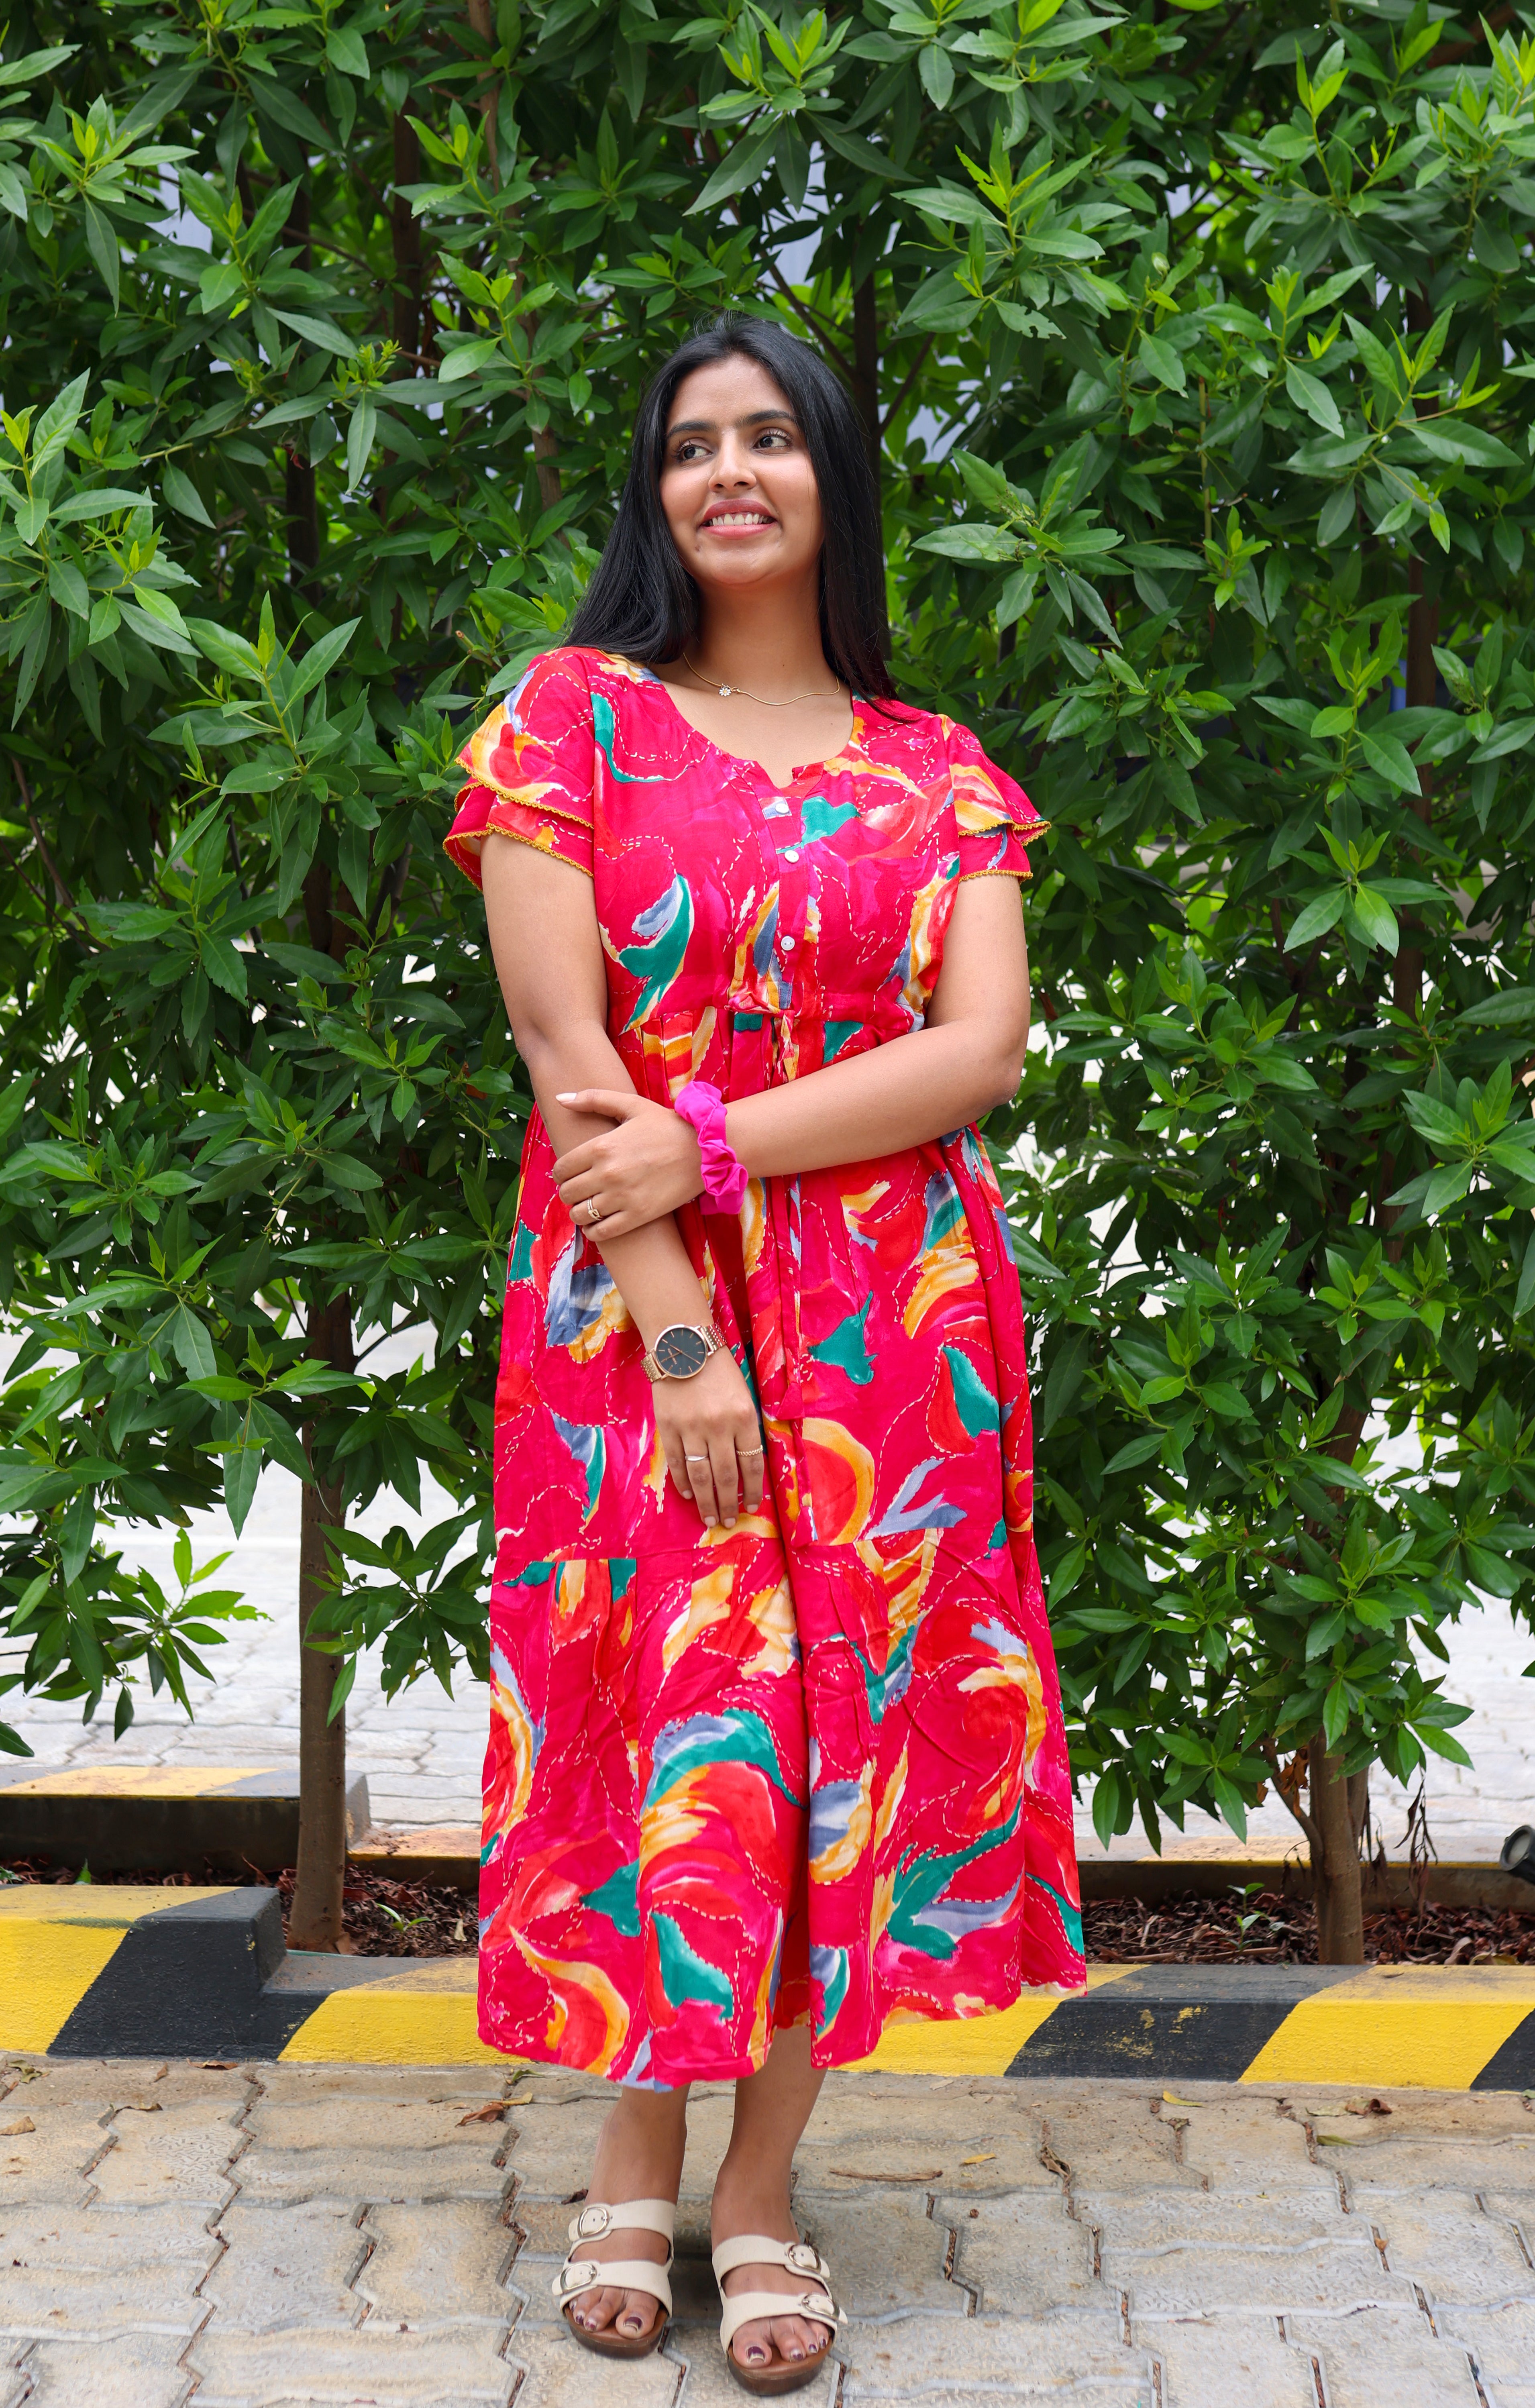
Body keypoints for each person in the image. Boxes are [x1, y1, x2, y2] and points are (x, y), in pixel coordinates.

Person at [444, 310, 1085, 2396]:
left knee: (843, 1748)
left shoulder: (938, 769)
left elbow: (979, 1051)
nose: (730, 472)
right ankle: (633, 2149)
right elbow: (566, 1047)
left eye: (771, 437)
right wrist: (683, 1337)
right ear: (657, 492)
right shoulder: (574, 721)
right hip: (643, 1321)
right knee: (671, 1716)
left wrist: (715, 1136)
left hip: (899, 1340)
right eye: (691, 444)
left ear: (831, 477)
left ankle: (757, 2185)